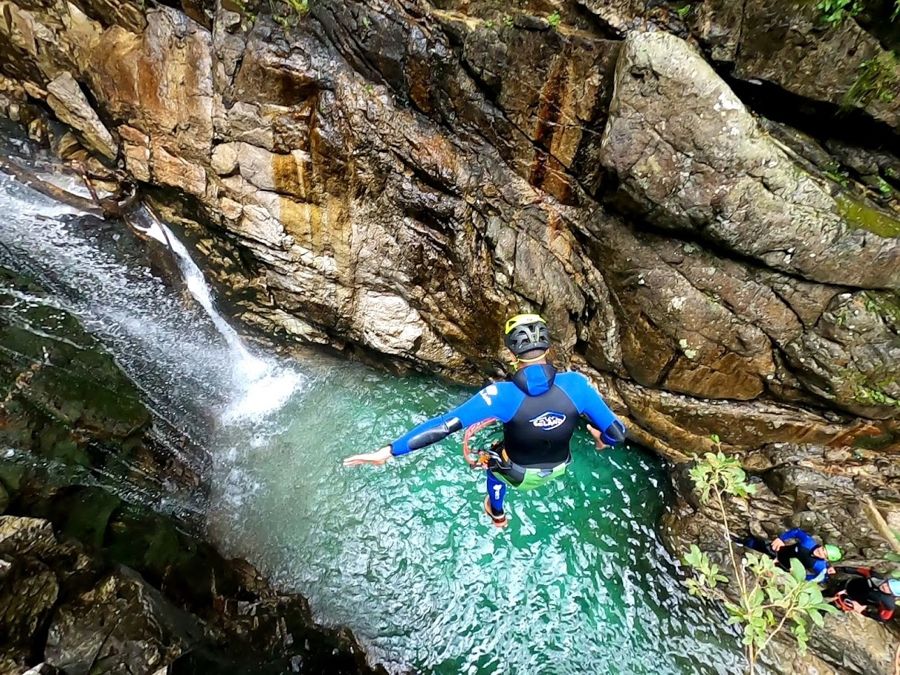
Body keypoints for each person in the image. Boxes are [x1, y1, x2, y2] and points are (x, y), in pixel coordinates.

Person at [343, 314, 626, 527]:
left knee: (492, 459)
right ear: (548, 348)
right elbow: (617, 432)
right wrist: (603, 440)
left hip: (518, 475)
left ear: (512, 355)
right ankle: (499, 509)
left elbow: (445, 425)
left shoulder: (500, 396)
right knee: (501, 447)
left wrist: (389, 451)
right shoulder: (576, 385)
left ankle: (497, 513)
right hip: (560, 467)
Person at [735, 528, 843, 582]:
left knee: (758, 573)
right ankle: (736, 542)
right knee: (752, 543)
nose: (820, 551)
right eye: (823, 549)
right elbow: (796, 532)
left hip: (783, 568)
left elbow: (818, 578)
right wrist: (781, 539)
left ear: (826, 559)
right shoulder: (808, 543)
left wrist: (799, 577)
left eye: (824, 554)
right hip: (778, 551)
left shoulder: (819, 566)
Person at [825, 566, 900, 622]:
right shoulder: (875, 577)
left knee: (829, 608)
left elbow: (883, 618)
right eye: (887, 584)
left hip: (851, 600)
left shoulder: (888, 603)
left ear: (892, 594)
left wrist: (863, 611)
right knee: (827, 592)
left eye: (889, 589)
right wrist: (837, 569)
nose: (885, 586)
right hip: (846, 585)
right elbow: (858, 570)